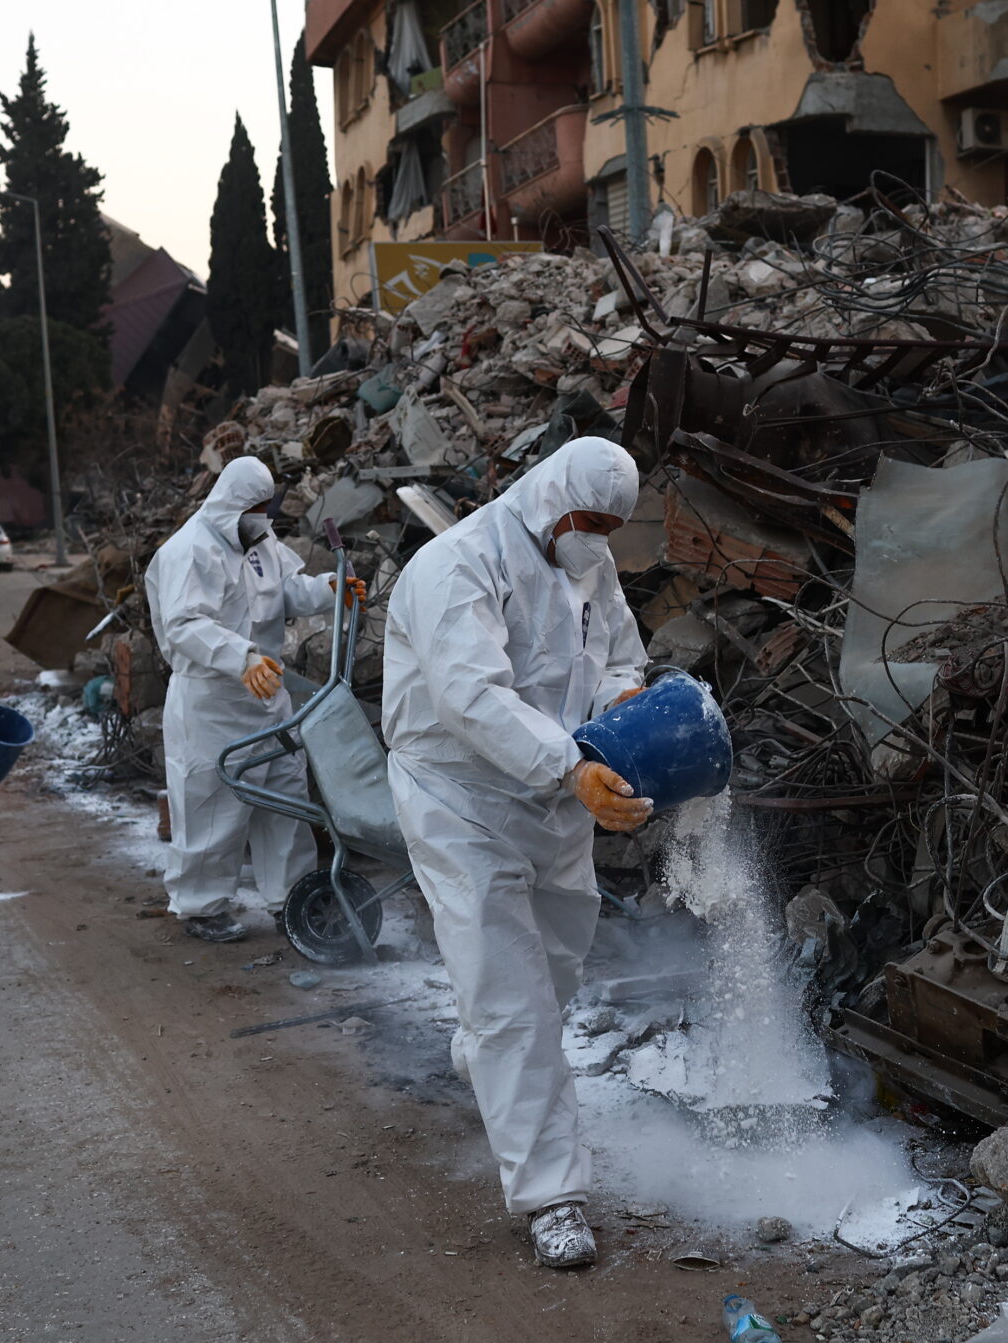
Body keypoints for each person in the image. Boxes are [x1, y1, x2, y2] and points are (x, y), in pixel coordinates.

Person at [382, 436, 653, 1269]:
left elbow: (615, 655)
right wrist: (572, 765)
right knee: (510, 992)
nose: (596, 538)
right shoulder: (453, 565)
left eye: (611, 526)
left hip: (556, 789)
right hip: (459, 796)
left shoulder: (589, 563)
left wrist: (628, 701)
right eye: (588, 520)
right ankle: (553, 1195)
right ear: (548, 497)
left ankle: (492, 1052)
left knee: (559, 960)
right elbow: (471, 697)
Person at [146, 456, 358, 944]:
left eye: (268, 507)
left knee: (285, 801)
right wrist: (240, 658)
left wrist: (330, 589)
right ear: (234, 503)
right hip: (213, 702)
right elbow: (184, 626)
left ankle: (293, 897)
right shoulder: (191, 551)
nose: (266, 516)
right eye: (258, 508)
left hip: (267, 694)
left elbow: (284, 592)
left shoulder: (260, 542)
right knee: (213, 808)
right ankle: (201, 906)